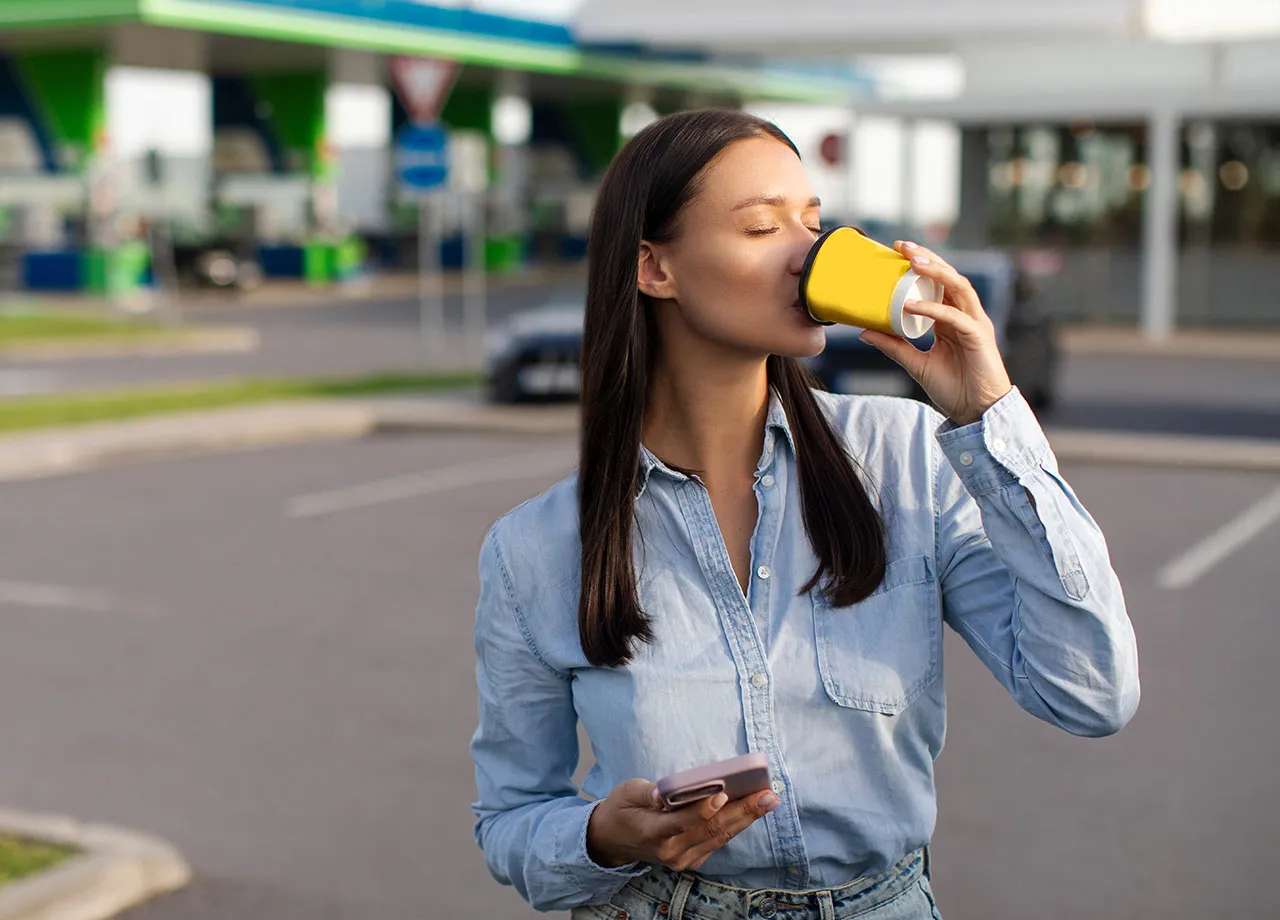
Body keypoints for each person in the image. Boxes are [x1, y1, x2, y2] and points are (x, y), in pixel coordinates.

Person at [470, 109, 1139, 920]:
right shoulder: (536, 548)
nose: (810, 252)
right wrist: (603, 836)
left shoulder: (910, 459)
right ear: (655, 268)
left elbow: (1091, 693)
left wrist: (989, 416)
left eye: (815, 222)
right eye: (762, 227)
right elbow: (510, 819)